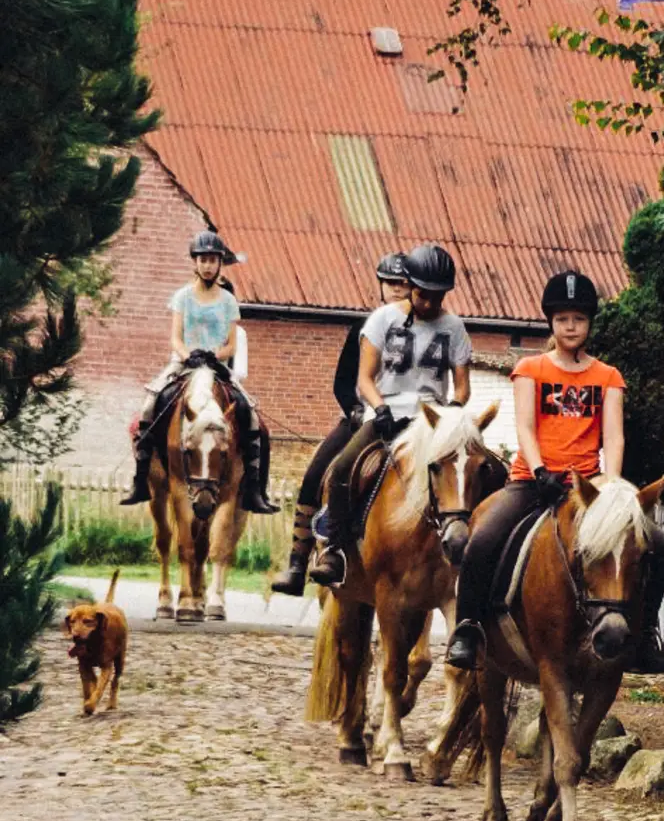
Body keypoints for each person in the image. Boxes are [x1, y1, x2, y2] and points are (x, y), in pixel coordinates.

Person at [445, 270, 664, 674]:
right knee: (482, 540)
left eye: (579, 319)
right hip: (531, 482)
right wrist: (539, 471)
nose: (571, 326)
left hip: (587, 488)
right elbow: (525, 428)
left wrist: (610, 489)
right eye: (563, 319)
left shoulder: (608, 377)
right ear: (551, 322)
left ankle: (645, 633)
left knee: (658, 542)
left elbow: (613, 437)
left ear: (589, 324)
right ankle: (468, 629)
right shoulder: (530, 368)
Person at [308, 242, 472, 588]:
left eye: (438, 297)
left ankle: (470, 552)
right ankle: (334, 549)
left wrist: (453, 413)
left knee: (474, 470)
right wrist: (380, 408)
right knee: (343, 467)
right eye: (423, 295)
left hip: (432, 420)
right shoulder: (383, 319)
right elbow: (365, 378)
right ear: (411, 286)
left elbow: (462, 387)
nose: (429, 303)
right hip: (388, 414)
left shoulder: (454, 327)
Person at [271, 252, 410, 595]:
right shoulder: (363, 327)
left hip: (407, 420)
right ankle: (299, 561)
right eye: (390, 283)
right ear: (380, 285)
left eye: (403, 284)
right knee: (316, 473)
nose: (396, 289)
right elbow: (342, 382)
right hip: (363, 418)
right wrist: (356, 410)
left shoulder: (422, 331)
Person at [120, 230, 277, 514]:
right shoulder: (182, 297)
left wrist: (216, 355)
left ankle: (255, 490)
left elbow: (231, 344)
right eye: (203, 260)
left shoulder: (228, 301)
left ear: (219, 264)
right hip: (184, 364)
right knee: (148, 407)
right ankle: (140, 480)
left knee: (253, 416)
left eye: (212, 260)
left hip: (216, 367)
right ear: (195, 262)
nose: (207, 265)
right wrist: (187, 355)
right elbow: (175, 338)